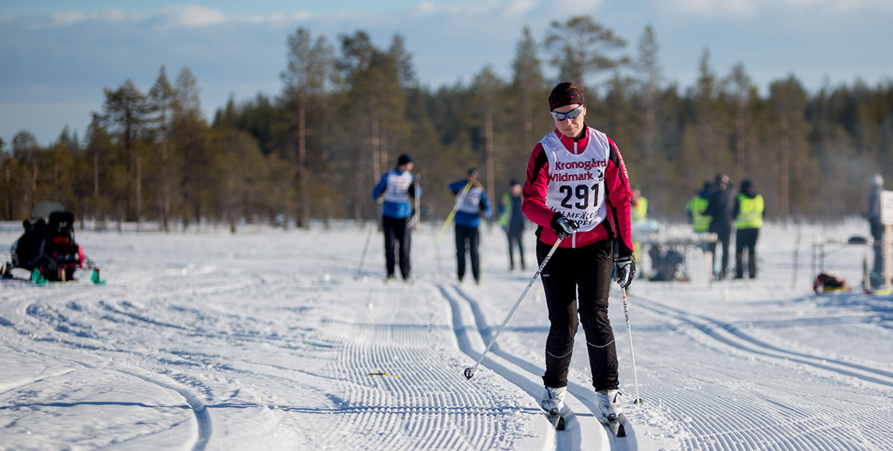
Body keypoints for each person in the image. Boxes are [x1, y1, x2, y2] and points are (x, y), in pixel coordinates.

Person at [522, 82, 636, 422]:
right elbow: (530, 202)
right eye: (559, 116)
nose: (567, 122)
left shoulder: (604, 146)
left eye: (572, 114)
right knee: (564, 323)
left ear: (584, 109)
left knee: (595, 316)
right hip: (555, 244)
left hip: (595, 243)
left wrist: (626, 250)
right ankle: (554, 388)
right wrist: (553, 219)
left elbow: (620, 199)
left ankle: (608, 391)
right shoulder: (546, 150)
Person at [371, 154, 420, 283]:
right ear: (403, 164)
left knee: (405, 246)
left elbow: (416, 196)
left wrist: (417, 187)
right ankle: (390, 273)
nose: (411, 166)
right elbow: (375, 192)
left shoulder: (410, 177)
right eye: (409, 164)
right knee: (390, 246)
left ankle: (406, 273)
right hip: (389, 215)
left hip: (404, 216)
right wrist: (377, 196)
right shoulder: (389, 176)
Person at [448, 169, 491, 284]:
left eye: (474, 177)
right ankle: (460, 275)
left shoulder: (480, 191)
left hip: (473, 225)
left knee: (474, 251)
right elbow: (450, 187)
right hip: (460, 224)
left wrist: (485, 213)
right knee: (460, 251)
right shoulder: (461, 187)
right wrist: (465, 182)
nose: (471, 179)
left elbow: (488, 207)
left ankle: (476, 276)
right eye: (469, 176)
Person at [705, 174, 736, 280]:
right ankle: (723, 271)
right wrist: (729, 180)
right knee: (725, 250)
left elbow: (708, 211)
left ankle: (712, 271)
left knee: (712, 250)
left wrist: (702, 213)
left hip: (715, 225)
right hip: (727, 225)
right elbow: (734, 188)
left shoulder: (713, 195)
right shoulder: (730, 194)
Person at [732, 179, 764, 279]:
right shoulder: (759, 198)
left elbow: (735, 212)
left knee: (739, 251)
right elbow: (764, 212)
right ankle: (752, 272)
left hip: (742, 228)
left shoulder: (740, 197)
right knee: (752, 250)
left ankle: (739, 273)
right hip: (755, 227)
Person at [498, 180, 526, 271]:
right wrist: (502, 205)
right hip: (509, 226)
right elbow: (500, 210)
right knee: (510, 246)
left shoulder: (523, 198)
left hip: (520, 225)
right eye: (513, 188)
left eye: (516, 188)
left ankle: (523, 264)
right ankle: (512, 265)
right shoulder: (506, 198)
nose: (514, 190)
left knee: (520, 245)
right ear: (510, 188)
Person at [865, 173, 885, 277]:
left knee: (877, 246)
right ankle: (879, 269)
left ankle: (878, 270)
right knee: (879, 246)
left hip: (876, 224)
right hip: (882, 224)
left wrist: (866, 215)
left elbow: (874, 211)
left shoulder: (875, 193)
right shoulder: (882, 192)